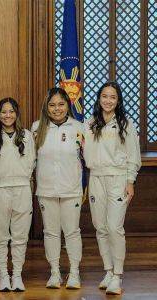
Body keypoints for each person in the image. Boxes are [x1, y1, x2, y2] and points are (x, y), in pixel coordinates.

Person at [83, 81, 141, 295]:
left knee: (115, 227)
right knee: (100, 227)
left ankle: (117, 275)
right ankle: (107, 270)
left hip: (117, 178)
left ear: (118, 101)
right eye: (104, 96)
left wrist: (130, 181)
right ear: (99, 99)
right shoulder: (90, 124)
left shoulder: (125, 124)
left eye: (112, 97)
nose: (108, 100)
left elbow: (133, 156)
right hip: (96, 177)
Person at [31, 87, 84, 289]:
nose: (57, 109)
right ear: (47, 107)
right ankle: (54, 272)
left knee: (72, 231)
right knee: (51, 232)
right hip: (46, 190)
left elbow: (88, 157)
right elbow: (31, 159)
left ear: (67, 105)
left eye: (61, 104)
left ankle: (74, 273)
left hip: (71, 189)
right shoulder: (37, 128)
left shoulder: (79, 127)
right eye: (52, 105)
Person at [0, 98, 36, 292]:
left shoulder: (26, 136)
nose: (8, 115)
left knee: (20, 236)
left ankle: (17, 275)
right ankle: (3, 275)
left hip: (22, 189)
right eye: (4, 111)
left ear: (17, 113)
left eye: (11, 111)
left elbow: (32, 163)